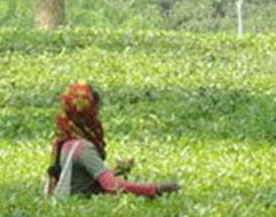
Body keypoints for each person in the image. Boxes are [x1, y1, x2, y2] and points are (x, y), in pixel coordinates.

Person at [46, 82, 179, 199]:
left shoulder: (65, 141)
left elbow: (80, 180)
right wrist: (156, 188)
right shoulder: (83, 148)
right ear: (87, 114)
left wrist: (116, 170)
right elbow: (111, 186)